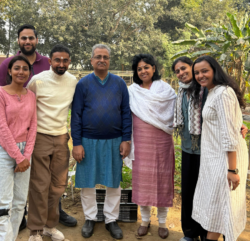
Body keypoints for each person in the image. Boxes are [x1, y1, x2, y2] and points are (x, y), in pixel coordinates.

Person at [0, 24, 77, 230]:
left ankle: (52, 217)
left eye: (31, 38)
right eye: (23, 38)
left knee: (55, 184)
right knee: (37, 183)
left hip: (49, 137)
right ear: (18, 41)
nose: (27, 41)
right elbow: (2, 95)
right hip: (24, 137)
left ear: (37, 40)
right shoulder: (12, 65)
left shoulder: (47, 62)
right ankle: (26, 222)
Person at [71, 44, 132, 240]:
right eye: (98, 56)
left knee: (113, 182)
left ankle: (111, 219)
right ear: (91, 60)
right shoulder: (83, 84)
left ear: (109, 60)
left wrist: (126, 139)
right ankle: (90, 218)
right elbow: (76, 115)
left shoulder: (119, 83)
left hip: (114, 142)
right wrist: (77, 143)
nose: (102, 60)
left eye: (105, 57)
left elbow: (126, 114)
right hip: (88, 141)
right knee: (88, 182)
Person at [191, 56, 248, 241]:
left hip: (225, 160)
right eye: (197, 72)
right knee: (216, 207)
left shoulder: (223, 93)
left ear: (215, 70)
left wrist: (232, 169)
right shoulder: (212, 92)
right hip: (214, 158)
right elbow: (229, 123)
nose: (200, 75)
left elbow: (229, 134)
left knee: (220, 206)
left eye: (204, 71)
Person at [27, 44, 78, 241]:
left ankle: (50, 226)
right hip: (40, 136)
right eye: (57, 60)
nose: (61, 63)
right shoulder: (37, 81)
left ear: (69, 62)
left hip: (61, 137)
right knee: (39, 185)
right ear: (50, 61)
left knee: (58, 185)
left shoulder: (73, 81)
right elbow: (25, 103)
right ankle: (35, 230)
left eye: (65, 60)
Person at [125, 54, 176, 239]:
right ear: (136, 72)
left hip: (162, 141)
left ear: (154, 68)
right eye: (139, 69)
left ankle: (162, 222)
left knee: (162, 181)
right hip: (140, 141)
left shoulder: (166, 90)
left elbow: (174, 112)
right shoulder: (132, 91)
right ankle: (145, 220)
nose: (143, 71)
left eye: (146, 67)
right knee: (142, 181)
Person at [0, 55, 37, 241]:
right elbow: (1, 127)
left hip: (25, 152)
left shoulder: (31, 96)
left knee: (18, 204)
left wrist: (27, 155)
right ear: (9, 71)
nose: (21, 72)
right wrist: (18, 157)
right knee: (3, 205)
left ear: (29, 73)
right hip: (2, 150)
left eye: (25, 69)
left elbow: (33, 127)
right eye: (17, 68)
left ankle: (12, 237)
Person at [172, 56, 208, 241]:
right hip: (187, 149)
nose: (181, 73)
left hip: (207, 151)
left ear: (192, 67)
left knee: (204, 193)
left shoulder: (206, 90)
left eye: (184, 68)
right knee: (188, 192)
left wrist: (240, 126)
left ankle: (205, 233)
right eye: (177, 71)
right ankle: (189, 233)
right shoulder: (180, 92)